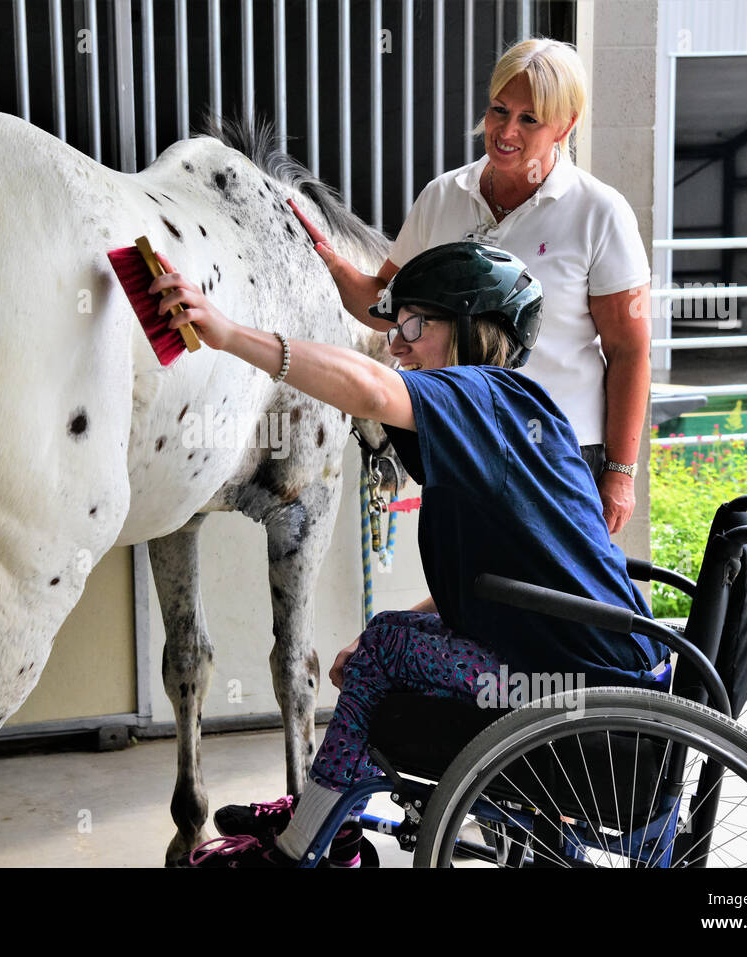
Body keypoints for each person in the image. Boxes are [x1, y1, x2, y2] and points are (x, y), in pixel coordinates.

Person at [148, 241, 670, 868]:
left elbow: (369, 390)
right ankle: (328, 813)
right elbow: (492, 578)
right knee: (385, 641)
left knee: (387, 648)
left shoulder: (483, 395)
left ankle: (307, 841)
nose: (397, 344)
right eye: (394, 328)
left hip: (580, 685)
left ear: (476, 327)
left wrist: (228, 333)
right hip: (588, 657)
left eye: (416, 325)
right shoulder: (507, 412)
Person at [317, 37, 652, 536]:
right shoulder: (442, 197)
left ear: (567, 125)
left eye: (529, 119)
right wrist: (322, 256)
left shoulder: (599, 212)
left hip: (558, 450)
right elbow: (384, 305)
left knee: (544, 605)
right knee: (466, 597)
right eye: (499, 110)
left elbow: (629, 350)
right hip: (459, 439)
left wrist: (621, 474)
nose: (506, 131)